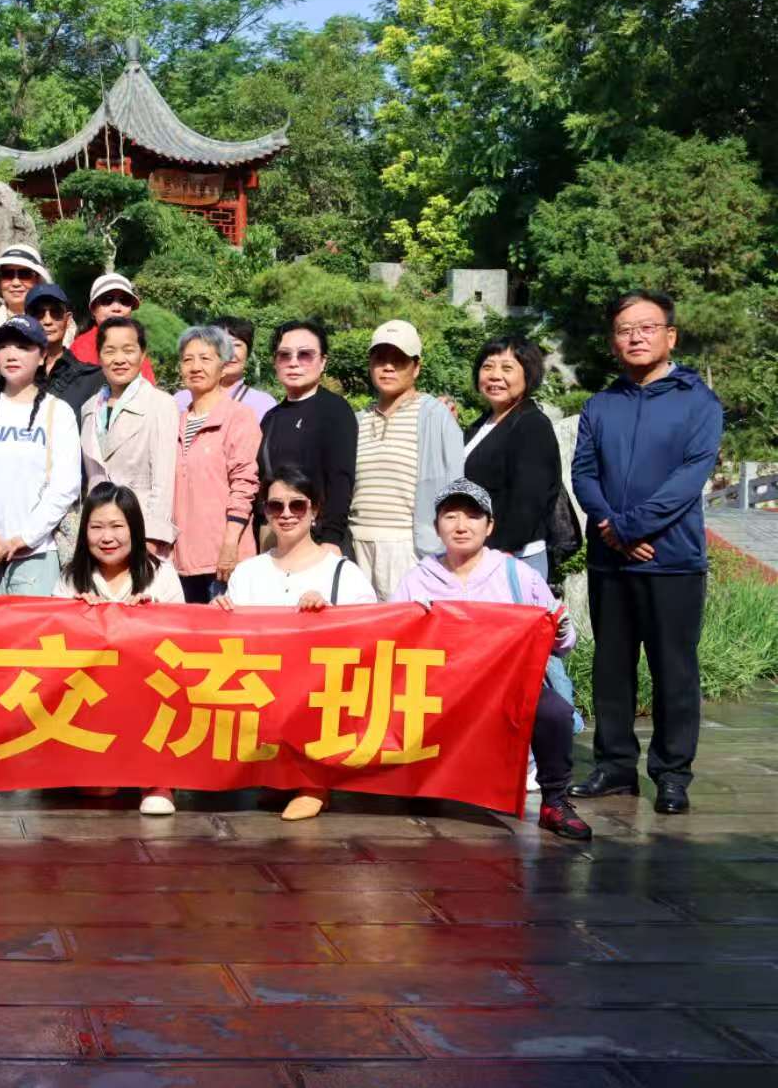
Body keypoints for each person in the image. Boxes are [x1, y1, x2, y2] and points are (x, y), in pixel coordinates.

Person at [570, 291, 723, 816]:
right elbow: (584, 474)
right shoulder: (601, 404)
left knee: (673, 670)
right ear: (614, 341)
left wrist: (629, 526)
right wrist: (612, 529)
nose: (635, 337)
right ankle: (615, 766)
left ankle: (672, 774)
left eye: (647, 327)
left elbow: (689, 479)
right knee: (612, 666)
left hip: (672, 559)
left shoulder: (698, 402)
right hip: (610, 559)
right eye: (624, 329)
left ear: (669, 336)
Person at [392, 479, 591, 840]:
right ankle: (422, 779)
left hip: (506, 690)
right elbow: (391, 642)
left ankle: (555, 801)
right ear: (437, 526)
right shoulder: (416, 580)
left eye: (472, 516)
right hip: (437, 693)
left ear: (490, 526)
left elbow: (562, 644)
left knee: (554, 712)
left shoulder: (517, 575)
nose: (461, 526)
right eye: (450, 516)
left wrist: (561, 627)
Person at [215, 467, 377, 821]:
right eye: (276, 506)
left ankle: (313, 783)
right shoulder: (248, 571)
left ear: (314, 510)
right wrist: (219, 613)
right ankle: (278, 773)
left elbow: (370, 636)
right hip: (262, 693)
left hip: (319, 696)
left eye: (297, 505)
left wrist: (328, 615)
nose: (286, 514)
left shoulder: (343, 572)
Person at [55, 480, 184, 813]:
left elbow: (184, 641)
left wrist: (153, 618)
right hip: (93, 691)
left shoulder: (162, 574)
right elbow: (55, 646)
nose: (106, 537)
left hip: (149, 688)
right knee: (98, 791)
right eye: (96, 527)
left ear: (134, 529)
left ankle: (157, 778)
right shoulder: (70, 579)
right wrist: (77, 616)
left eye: (116, 526)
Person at [0, 313, 82, 595]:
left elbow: (65, 486)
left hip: (37, 554)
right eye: (4, 346)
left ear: (42, 356)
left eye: (23, 347)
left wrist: (24, 539)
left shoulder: (58, 412)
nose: (11, 354)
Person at [348, 319, 464, 600]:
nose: (388, 367)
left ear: (416, 367)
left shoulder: (434, 415)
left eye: (398, 360)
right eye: (380, 359)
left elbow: (454, 484)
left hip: (408, 547)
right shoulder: (357, 420)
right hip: (356, 545)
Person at [172, 326, 261, 603]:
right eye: (188, 359)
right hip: (180, 560)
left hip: (223, 560)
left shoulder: (239, 417)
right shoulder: (174, 420)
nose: (195, 367)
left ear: (223, 366)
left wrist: (230, 543)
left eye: (205, 358)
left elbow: (244, 484)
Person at [464, 336, 561, 580]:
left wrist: (496, 553)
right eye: (488, 367)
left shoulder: (531, 425)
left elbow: (528, 502)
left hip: (512, 559)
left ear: (528, 375)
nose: (495, 375)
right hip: (480, 555)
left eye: (507, 368)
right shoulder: (482, 424)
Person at [257, 319, 358, 555]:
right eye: (285, 355)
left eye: (305, 355)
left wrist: (332, 538)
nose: (294, 363)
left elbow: (341, 479)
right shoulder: (271, 417)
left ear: (322, 362)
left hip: (319, 539)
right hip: (278, 538)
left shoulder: (334, 410)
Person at [81, 316, 177, 558]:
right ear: (99, 356)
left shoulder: (160, 404)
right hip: (100, 535)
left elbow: (163, 480)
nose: (119, 359)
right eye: (110, 351)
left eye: (128, 350)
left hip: (140, 531)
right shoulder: (90, 408)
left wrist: (152, 537)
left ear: (142, 354)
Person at [0, 244, 73, 385]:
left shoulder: (57, 319)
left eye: (24, 275)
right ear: (0, 281)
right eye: (8, 275)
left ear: (37, 280)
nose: (15, 283)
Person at [175, 315, 277, 420]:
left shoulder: (263, 404)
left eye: (236, 345)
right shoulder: (181, 400)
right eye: (221, 345)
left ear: (248, 353)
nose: (229, 352)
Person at [24, 284, 102, 418]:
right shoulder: (9, 377)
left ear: (68, 319)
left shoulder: (91, 378)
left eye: (56, 312)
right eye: (38, 313)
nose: (47, 320)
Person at [68, 273, 155, 383]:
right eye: (107, 300)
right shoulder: (80, 349)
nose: (117, 308)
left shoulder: (137, 345)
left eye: (125, 300)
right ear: (93, 309)